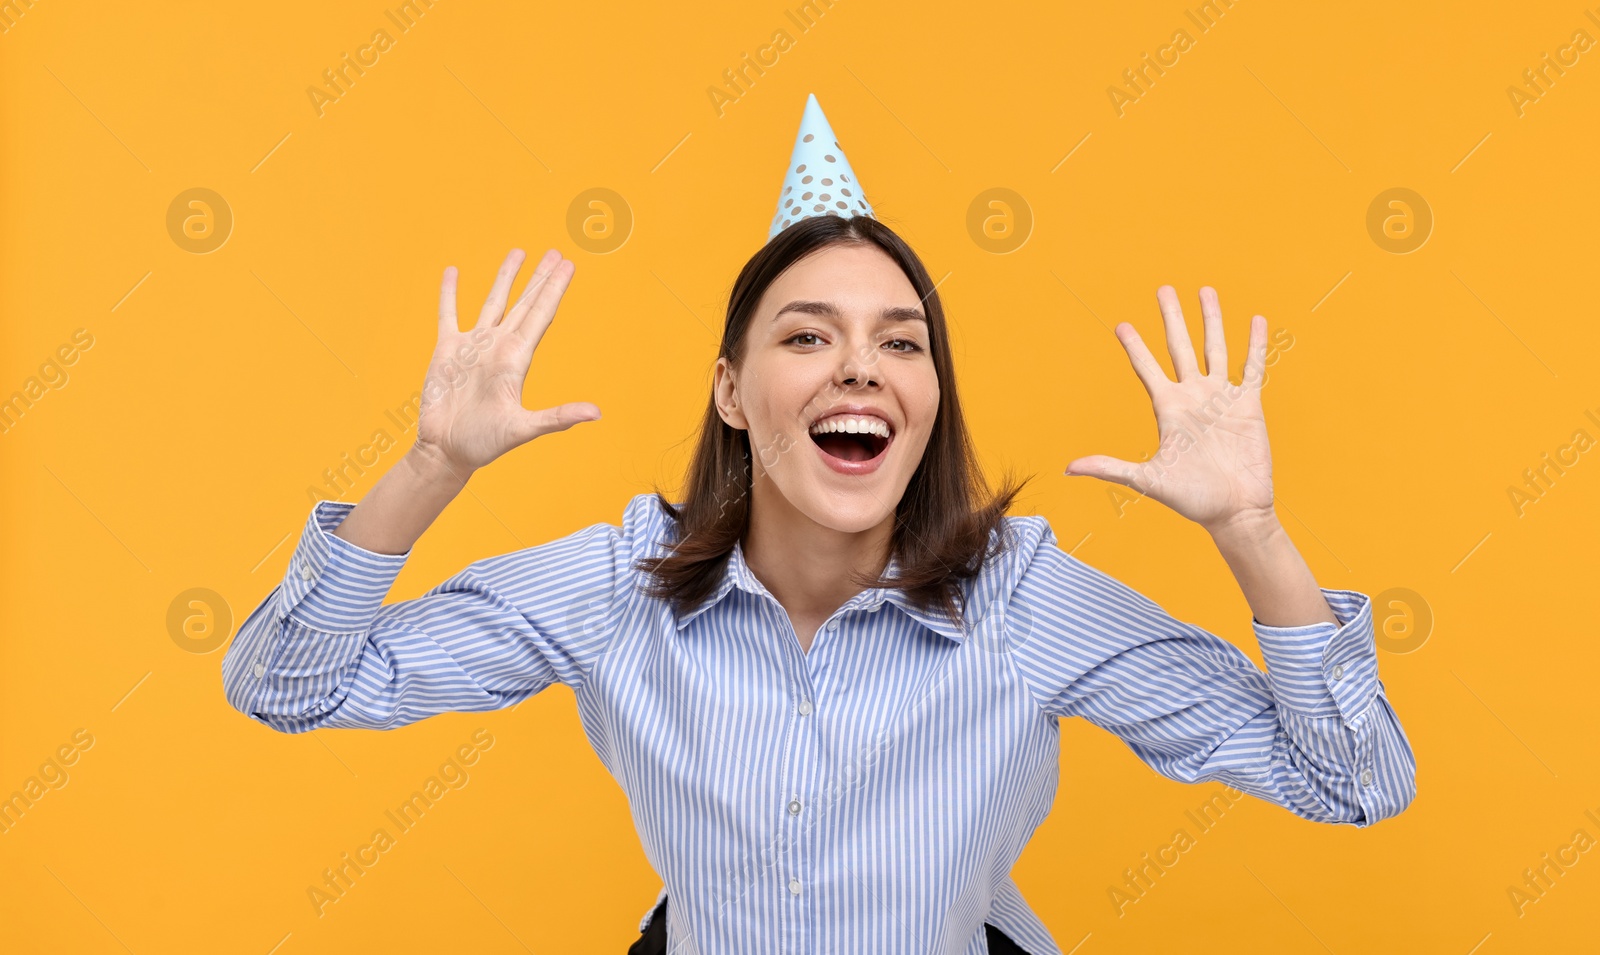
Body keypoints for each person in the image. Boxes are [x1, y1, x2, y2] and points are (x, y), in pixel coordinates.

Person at [223, 97, 1418, 955]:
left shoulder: (1021, 599)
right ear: (734, 394)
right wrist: (432, 467)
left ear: (930, 397)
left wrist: (1252, 531)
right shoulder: (615, 586)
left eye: (902, 341)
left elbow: (1354, 781)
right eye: (806, 335)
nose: (862, 368)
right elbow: (287, 685)